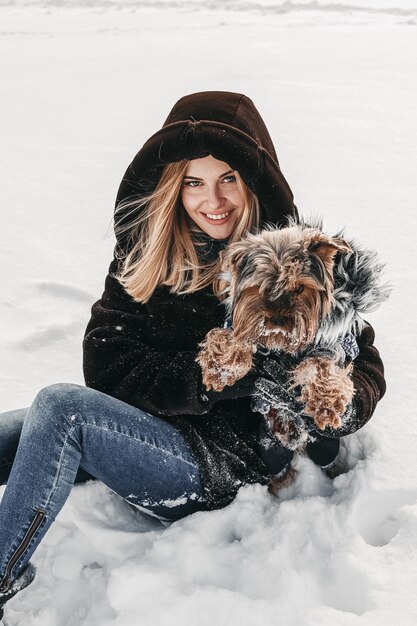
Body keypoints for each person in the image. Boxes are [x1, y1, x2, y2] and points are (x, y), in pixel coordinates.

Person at [0, 91, 386, 618]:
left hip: (216, 465)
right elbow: (107, 365)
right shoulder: (149, 257)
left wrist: (334, 404)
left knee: (62, 409)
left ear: (253, 179)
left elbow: (358, 360)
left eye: (228, 177)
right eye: (194, 182)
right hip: (148, 432)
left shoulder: (295, 262)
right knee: (29, 426)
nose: (214, 199)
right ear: (173, 188)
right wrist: (202, 381)